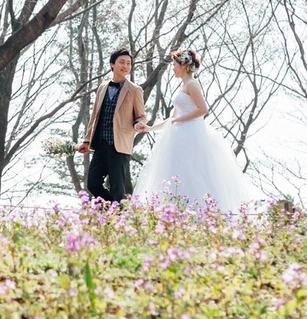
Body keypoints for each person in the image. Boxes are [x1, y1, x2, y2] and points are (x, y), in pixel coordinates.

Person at [132, 49, 255, 211]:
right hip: (180, 135)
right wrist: (149, 128)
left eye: (175, 65)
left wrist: (178, 120)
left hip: (193, 135)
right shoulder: (183, 86)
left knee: (194, 173)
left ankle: (202, 212)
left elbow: (202, 109)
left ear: (183, 65)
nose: (173, 68)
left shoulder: (192, 84)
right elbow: (171, 119)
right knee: (177, 175)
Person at [76, 48, 148, 202]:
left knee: (117, 187)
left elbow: (141, 116)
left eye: (129, 63)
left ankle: (115, 221)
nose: (126, 66)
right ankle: (115, 212)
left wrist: (139, 124)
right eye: (122, 62)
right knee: (93, 183)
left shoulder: (135, 90)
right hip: (101, 144)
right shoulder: (102, 87)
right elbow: (94, 115)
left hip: (120, 145)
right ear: (112, 65)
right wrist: (87, 140)